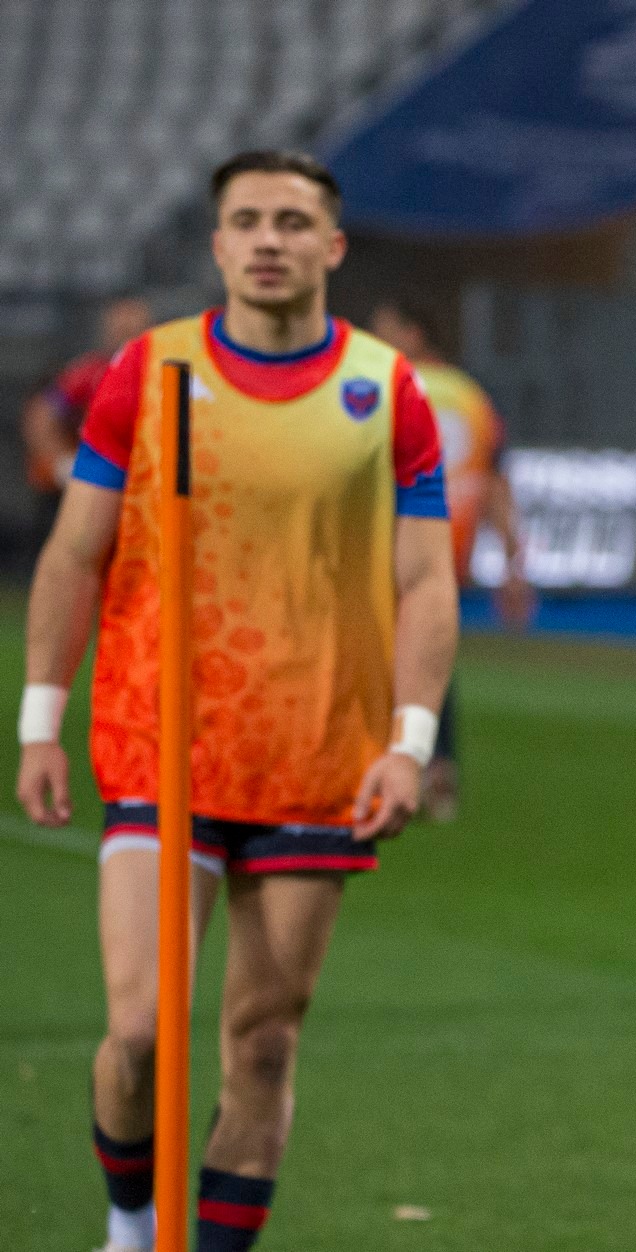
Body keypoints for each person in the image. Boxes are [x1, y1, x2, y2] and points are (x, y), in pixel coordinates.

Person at [14, 150, 458, 1252]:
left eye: (293, 221)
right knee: (137, 1035)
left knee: (262, 1041)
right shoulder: (146, 373)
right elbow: (74, 554)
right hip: (157, 743)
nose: (269, 238)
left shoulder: (384, 391)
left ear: (332, 246)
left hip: (314, 759)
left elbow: (424, 581)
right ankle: (131, 1224)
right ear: (217, 246)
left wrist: (409, 743)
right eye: (247, 220)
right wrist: (39, 719)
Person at [368, 297, 532, 819]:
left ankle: (395, 763)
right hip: (452, 545)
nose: (381, 339)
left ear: (414, 332)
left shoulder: (382, 388)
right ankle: (438, 769)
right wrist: (513, 562)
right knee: (431, 650)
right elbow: (495, 483)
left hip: (391, 540)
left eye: (388, 328)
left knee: (382, 651)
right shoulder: (470, 397)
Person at [19, 295, 151, 534]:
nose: (127, 337)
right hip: (91, 482)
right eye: (120, 329)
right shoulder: (89, 374)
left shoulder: (162, 373)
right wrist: (63, 463)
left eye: (135, 329)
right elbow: (42, 414)